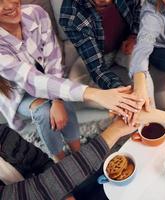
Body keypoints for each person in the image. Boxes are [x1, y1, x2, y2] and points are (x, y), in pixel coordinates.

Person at [0, 0, 142, 160]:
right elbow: (32, 79)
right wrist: (96, 94)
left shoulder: (35, 13)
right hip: (20, 93)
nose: (9, 5)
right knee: (44, 113)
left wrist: (58, 100)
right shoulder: (72, 13)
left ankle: (78, 152)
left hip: (50, 79)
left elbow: (53, 60)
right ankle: (59, 159)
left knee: (65, 99)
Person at [0, 118, 135, 200]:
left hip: (50, 187)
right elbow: (34, 194)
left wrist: (66, 195)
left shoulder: (2, 134)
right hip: (40, 191)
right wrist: (115, 131)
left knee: (109, 181)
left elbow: (41, 162)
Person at [59, 0, 141, 89]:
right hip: (99, 52)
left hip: (126, 44)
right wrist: (120, 91)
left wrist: (134, 35)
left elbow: (139, 11)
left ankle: (147, 100)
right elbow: (97, 68)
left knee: (140, 68)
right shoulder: (71, 13)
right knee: (74, 82)